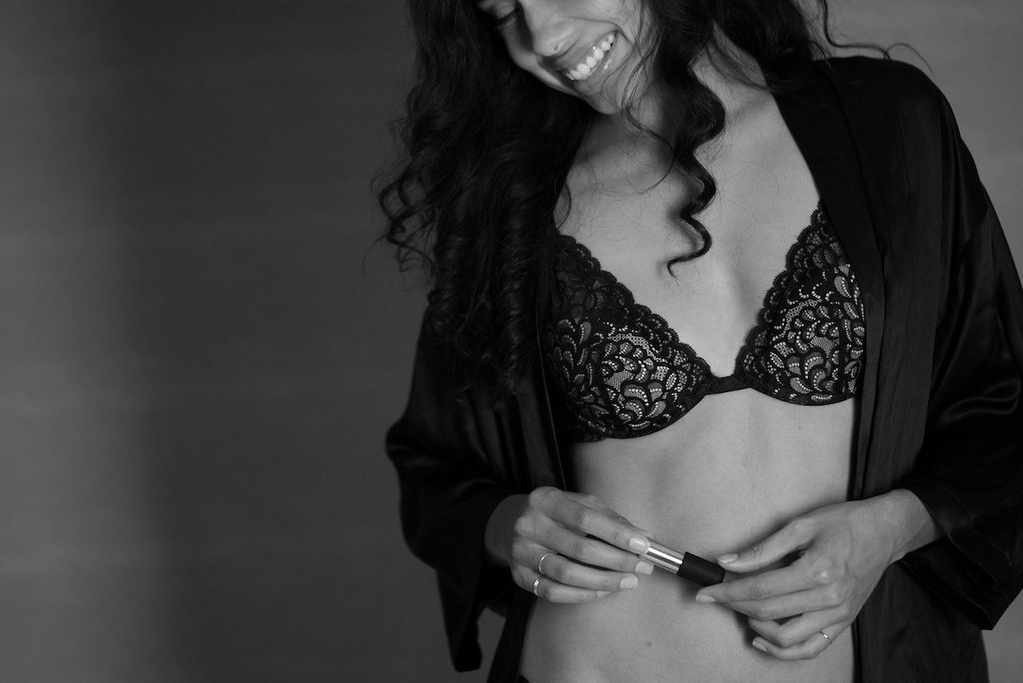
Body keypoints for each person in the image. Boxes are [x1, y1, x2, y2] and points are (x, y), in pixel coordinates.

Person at [379, 0, 1023, 681]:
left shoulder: (890, 123)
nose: (542, 36)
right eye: (504, 12)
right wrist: (509, 523)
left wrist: (890, 528)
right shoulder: (513, 207)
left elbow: (1003, 398)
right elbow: (433, 469)